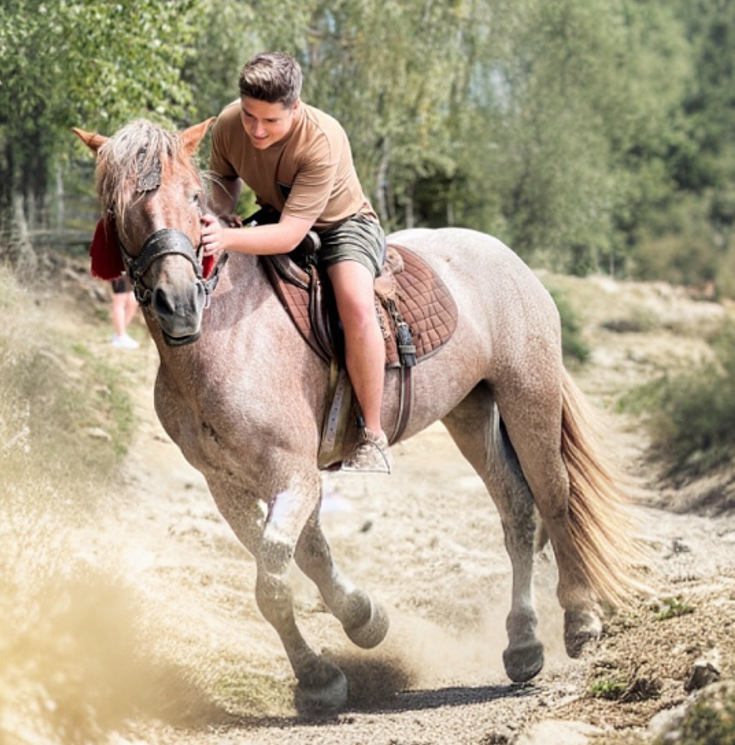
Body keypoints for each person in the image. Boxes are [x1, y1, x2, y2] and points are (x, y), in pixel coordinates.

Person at [200, 51, 391, 474]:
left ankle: (372, 435)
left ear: (295, 108)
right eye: (250, 116)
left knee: (355, 304)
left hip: (342, 224)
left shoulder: (321, 140)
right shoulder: (229, 124)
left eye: (271, 121)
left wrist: (226, 236)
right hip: (275, 213)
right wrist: (219, 213)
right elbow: (224, 182)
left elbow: (290, 235)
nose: (257, 130)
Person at [110, 274, 139, 350]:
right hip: (116, 267)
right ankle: (120, 336)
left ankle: (119, 334)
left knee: (133, 301)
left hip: (127, 268)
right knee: (120, 299)